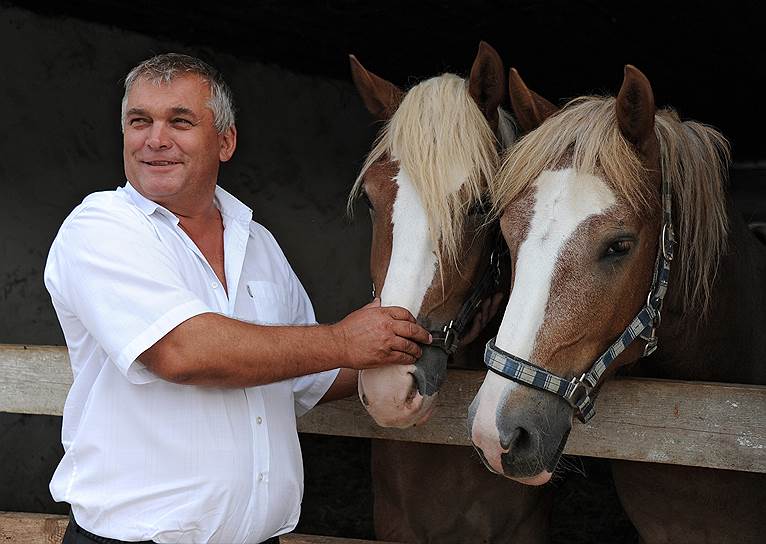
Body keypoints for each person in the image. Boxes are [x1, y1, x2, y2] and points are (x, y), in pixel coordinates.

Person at [44, 53, 431, 544]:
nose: (155, 139)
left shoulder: (258, 242)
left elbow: (311, 372)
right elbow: (183, 352)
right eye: (139, 121)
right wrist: (343, 340)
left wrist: (412, 345)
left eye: (179, 121)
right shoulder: (100, 228)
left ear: (224, 141)